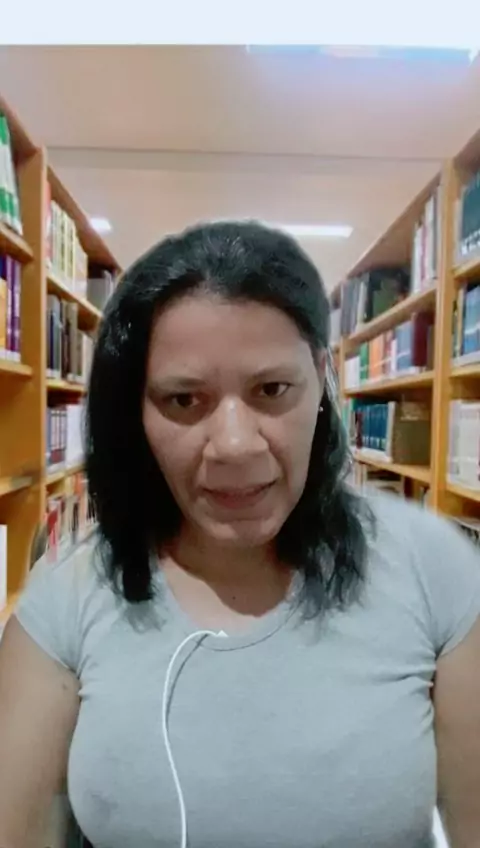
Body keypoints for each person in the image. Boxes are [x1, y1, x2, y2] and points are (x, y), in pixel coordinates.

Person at [0, 221, 479, 848]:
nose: (233, 445)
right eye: (183, 400)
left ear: (322, 379)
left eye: (271, 390)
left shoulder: (436, 570)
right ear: (136, 412)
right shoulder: (64, 598)